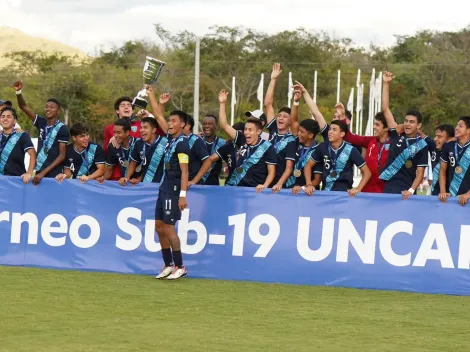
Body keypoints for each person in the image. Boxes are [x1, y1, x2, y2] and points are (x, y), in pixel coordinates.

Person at [200, 90, 277, 191]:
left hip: (255, 191)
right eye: (245, 129)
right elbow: (224, 125)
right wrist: (222, 103)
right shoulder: (242, 139)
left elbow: (271, 172)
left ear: (258, 131)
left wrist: (265, 185)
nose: (246, 133)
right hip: (235, 189)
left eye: (250, 130)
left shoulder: (267, 146)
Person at [380, 72, 429, 199]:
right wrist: (386, 83)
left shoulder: (422, 145)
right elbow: (385, 109)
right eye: (406, 121)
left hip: (406, 191)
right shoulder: (396, 134)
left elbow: (420, 173)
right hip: (389, 186)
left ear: (418, 126)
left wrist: (411, 191)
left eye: (412, 122)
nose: (407, 124)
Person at [154, 110, 191, 280]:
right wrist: (154, 98)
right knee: (159, 226)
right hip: (164, 188)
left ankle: (180, 266)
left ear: (182, 124)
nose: (169, 123)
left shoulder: (183, 143)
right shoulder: (171, 140)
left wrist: (182, 195)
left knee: (169, 228)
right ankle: (168, 265)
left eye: (173, 121)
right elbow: (158, 116)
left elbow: (185, 171)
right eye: (169, 120)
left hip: (174, 190)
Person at [13, 80, 69, 184]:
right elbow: (23, 107)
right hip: (39, 170)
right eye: (46, 106)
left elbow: (62, 156)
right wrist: (18, 92)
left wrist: (43, 173)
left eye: (52, 107)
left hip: (54, 173)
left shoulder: (62, 128)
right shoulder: (41, 122)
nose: (48, 109)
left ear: (58, 112)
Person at [303, 120, 371, 196]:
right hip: (326, 193)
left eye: (334, 130)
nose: (330, 132)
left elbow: (367, 172)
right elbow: (308, 166)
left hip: (344, 195)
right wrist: (309, 184)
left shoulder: (351, 150)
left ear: (342, 134)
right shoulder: (322, 147)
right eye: (329, 129)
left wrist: (358, 189)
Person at [343, 112, 392, 193]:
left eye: (377, 125)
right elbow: (349, 137)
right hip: (367, 190)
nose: (374, 127)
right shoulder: (370, 141)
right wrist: (342, 117)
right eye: (374, 124)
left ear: (386, 128)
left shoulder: (395, 143)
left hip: (385, 191)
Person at [119, 117, 168, 185]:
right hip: (146, 184)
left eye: (145, 127)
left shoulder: (165, 143)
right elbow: (133, 163)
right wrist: (127, 178)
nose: (141, 130)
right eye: (141, 127)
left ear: (153, 130)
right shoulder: (138, 143)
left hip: (162, 184)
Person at [439, 116, 470, 206]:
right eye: (456, 125)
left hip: (467, 199)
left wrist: (468, 194)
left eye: (460, 126)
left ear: (468, 130)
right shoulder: (449, 146)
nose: (456, 128)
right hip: (451, 198)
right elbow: (442, 170)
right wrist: (443, 191)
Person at [0, 107, 36, 182]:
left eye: (9, 116)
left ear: (14, 121)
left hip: (16, 181)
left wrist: (29, 173)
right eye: (2, 116)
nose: (5, 119)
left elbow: (33, 155)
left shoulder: (22, 135)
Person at [289, 119, 322, 195]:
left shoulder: (318, 151)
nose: (298, 134)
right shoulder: (296, 143)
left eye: (302, 132)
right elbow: (293, 120)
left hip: (308, 193)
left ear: (310, 135)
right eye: (299, 131)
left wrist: (303, 188)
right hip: (291, 190)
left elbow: (317, 179)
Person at [422, 124, 454, 195]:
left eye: (439, 137)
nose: (435, 139)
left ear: (450, 139)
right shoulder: (433, 145)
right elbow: (421, 134)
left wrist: (455, 139)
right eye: (435, 136)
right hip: (425, 190)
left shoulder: (454, 152)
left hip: (444, 194)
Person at [183, 115, 210, 184]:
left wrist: (194, 181)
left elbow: (207, 162)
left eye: (181, 123)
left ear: (188, 126)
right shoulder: (177, 140)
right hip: (177, 183)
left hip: (191, 187)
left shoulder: (196, 141)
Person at [201, 114, 226, 185]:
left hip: (214, 185)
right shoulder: (197, 142)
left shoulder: (223, 143)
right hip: (198, 183)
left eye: (210, 124)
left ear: (216, 127)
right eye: (204, 124)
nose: (206, 126)